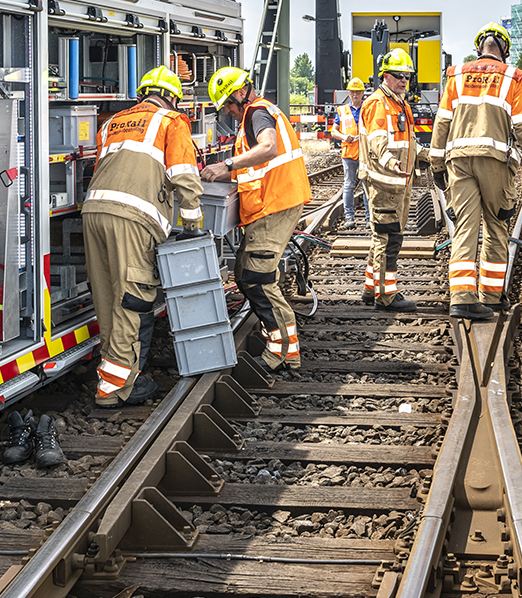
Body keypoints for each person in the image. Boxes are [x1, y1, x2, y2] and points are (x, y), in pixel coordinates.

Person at [81, 65, 204, 408]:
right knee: (132, 299)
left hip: (93, 213)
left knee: (107, 296)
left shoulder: (112, 123)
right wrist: (193, 224)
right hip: (132, 219)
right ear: (172, 97)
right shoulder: (171, 121)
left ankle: (113, 373)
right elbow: (184, 176)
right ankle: (116, 387)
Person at [430, 23, 522, 319]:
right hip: (495, 162)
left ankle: (462, 298)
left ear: (479, 47)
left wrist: (436, 164)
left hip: (459, 161)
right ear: (504, 49)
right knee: (496, 224)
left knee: (465, 227)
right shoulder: (512, 77)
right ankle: (491, 296)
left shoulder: (456, 75)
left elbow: (442, 122)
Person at [199, 67, 310, 370]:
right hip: (270, 204)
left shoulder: (257, 113)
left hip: (276, 203)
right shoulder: (255, 113)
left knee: (258, 278)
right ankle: (286, 349)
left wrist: (227, 165)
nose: (229, 112)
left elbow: (268, 147)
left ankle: (279, 353)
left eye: (228, 106)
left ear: (239, 94)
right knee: (245, 272)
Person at [358, 48, 428, 311]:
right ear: (384, 76)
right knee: (388, 239)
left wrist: (431, 156)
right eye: (398, 75)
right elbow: (378, 141)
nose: (403, 80)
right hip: (384, 181)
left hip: (397, 182)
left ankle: (370, 289)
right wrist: (390, 162)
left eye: (407, 76)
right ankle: (386, 296)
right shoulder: (379, 103)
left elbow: (408, 144)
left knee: (383, 236)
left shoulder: (401, 104)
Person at [329, 78, 366, 224]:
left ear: (363, 93)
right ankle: (349, 217)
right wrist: (345, 137)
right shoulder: (342, 110)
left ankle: (369, 219)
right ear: (349, 93)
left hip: (365, 153)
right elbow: (334, 132)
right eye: (352, 92)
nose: (355, 95)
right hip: (349, 153)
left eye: (357, 92)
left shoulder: (368, 109)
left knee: (366, 186)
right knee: (349, 185)